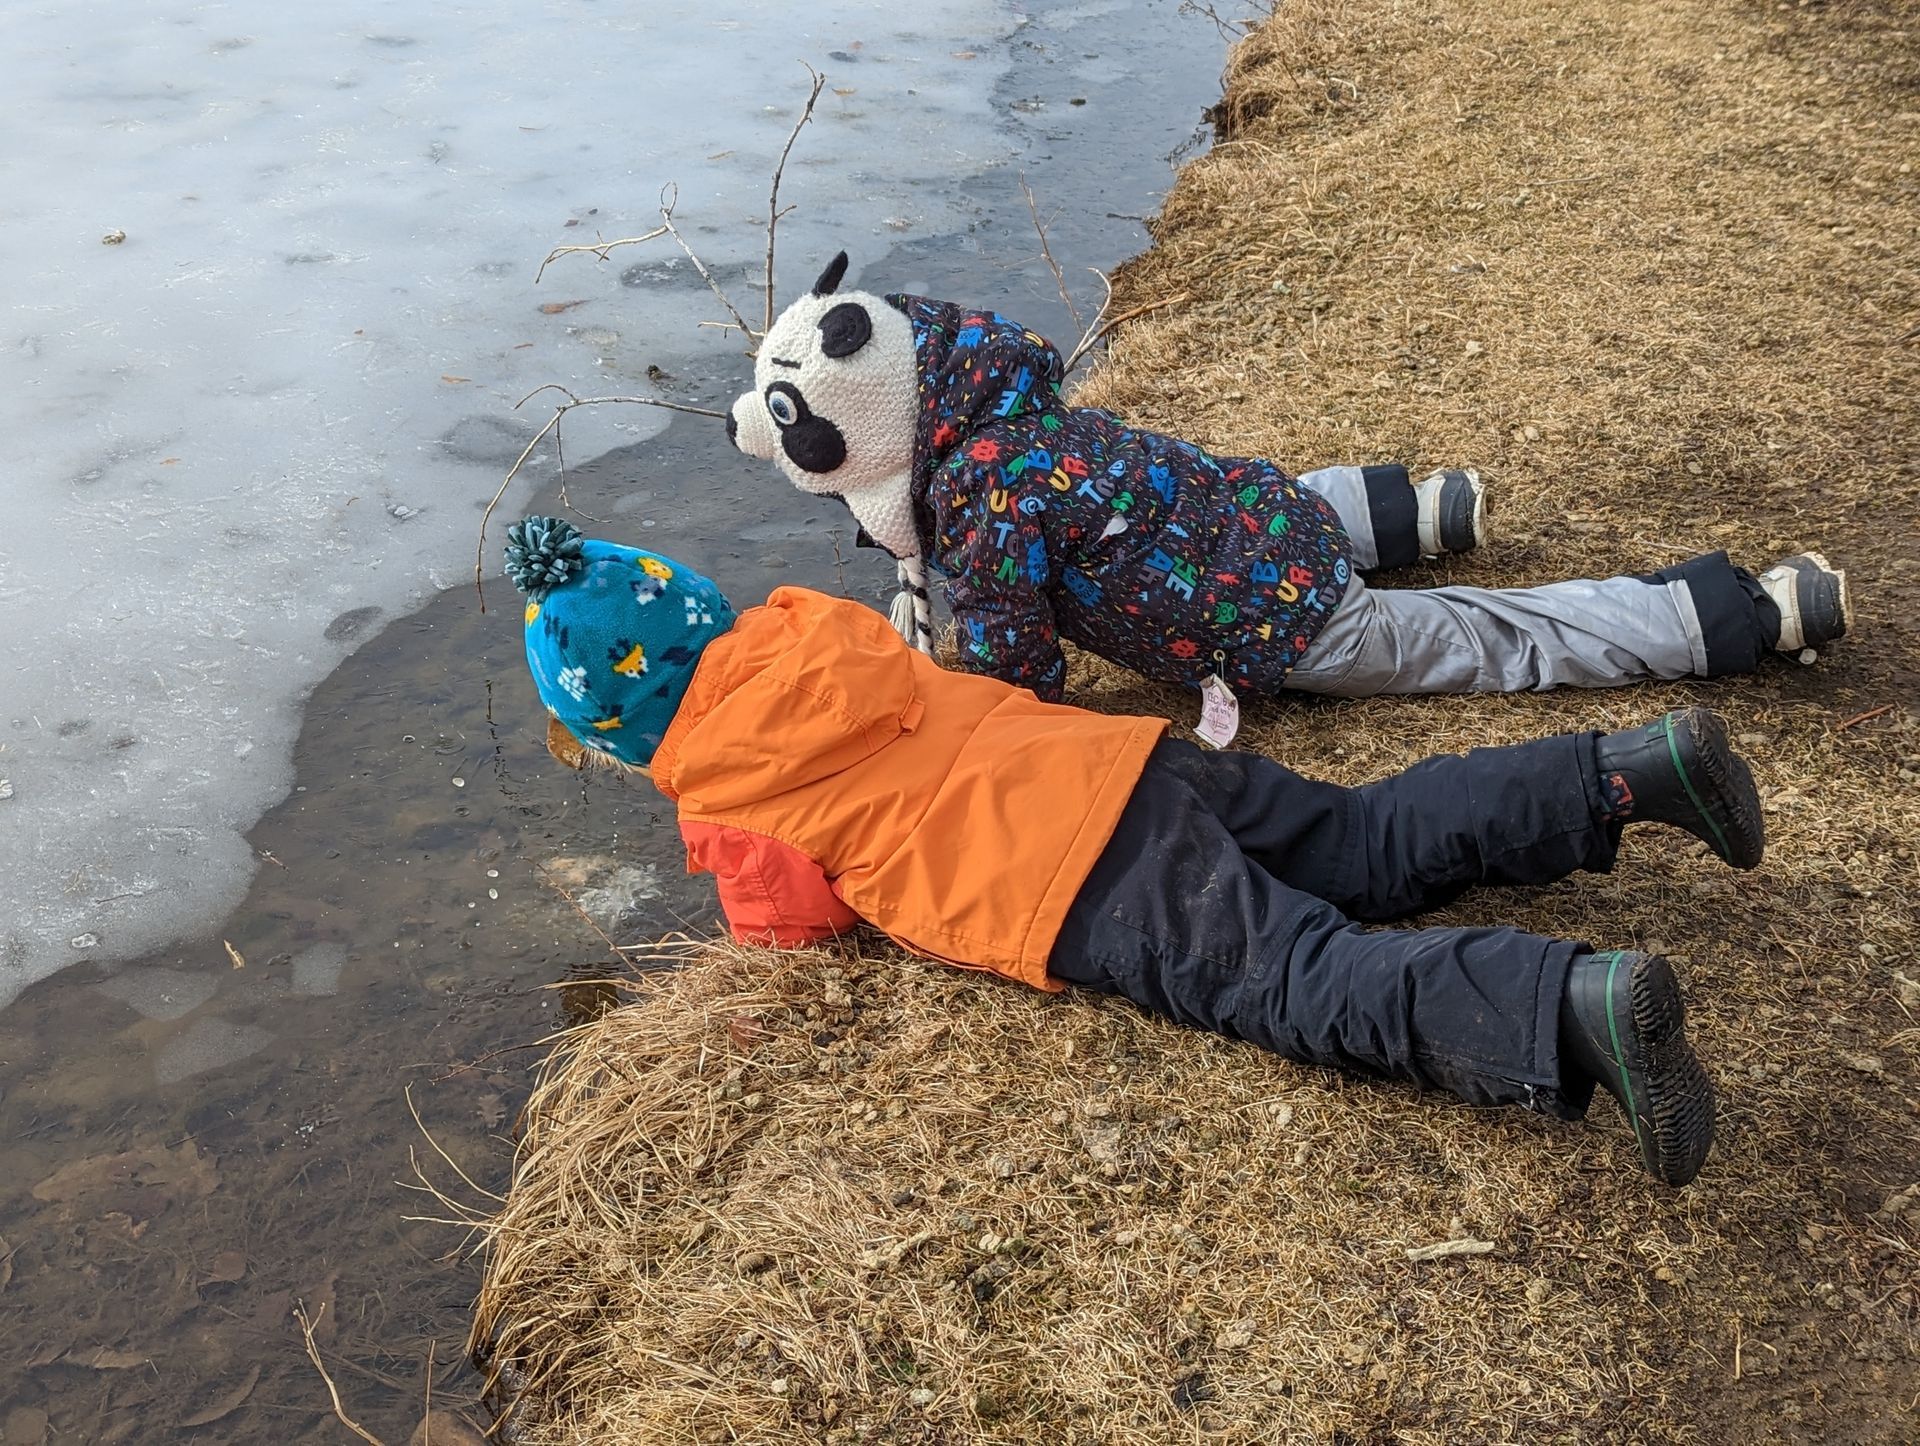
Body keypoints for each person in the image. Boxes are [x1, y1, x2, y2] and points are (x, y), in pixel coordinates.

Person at [506, 515, 1764, 1187]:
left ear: (621, 731)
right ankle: (1624, 772)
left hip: (1077, 881)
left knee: (1299, 980)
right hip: (1128, 762)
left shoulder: (724, 790)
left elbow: (793, 927)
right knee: (1367, 834)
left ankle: (1572, 1010)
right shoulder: (818, 635)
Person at [724, 253, 1852, 703]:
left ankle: (1729, 613)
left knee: (1483, 641)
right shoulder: (1005, 406)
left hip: (1281, 629)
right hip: (1267, 514)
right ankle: (1425, 507)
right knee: (1237, 506)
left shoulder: (979, 510)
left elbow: (1016, 670)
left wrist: (952, 682)